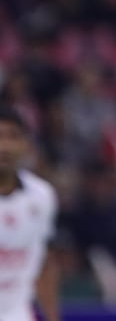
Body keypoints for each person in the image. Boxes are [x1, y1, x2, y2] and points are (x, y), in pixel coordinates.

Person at [0, 107, 60, 321]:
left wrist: (52, 317)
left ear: (25, 144)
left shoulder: (41, 196)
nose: (4, 146)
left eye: (12, 137)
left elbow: (43, 261)